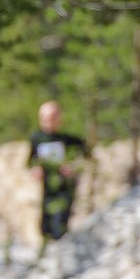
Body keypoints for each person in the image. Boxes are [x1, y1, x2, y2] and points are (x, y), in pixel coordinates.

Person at [28, 100, 88, 243]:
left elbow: (87, 156)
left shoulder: (69, 140)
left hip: (65, 188)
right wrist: (35, 170)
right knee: (45, 225)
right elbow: (30, 161)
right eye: (46, 117)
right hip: (48, 187)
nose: (49, 121)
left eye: (53, 117)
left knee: (60, 224)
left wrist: (72, 167)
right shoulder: (37, 138)